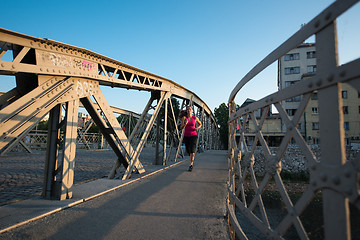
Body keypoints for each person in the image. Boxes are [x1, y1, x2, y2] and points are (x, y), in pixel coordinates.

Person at [180, 106, 202, 171]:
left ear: (192, 111)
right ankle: (191, 160)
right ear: (186, 111)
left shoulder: (195, 118)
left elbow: (200, 124)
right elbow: (181, 127)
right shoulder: (184, 118)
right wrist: (185, 124)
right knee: (188, 150)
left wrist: (197, 128)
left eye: (190, 109)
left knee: (192, 150)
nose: (189, 110)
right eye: (187, 109)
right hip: (186, 136)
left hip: (193, 135)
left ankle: (191, 164)